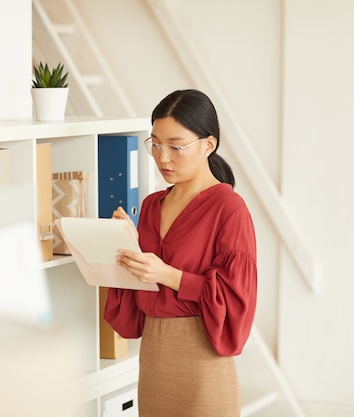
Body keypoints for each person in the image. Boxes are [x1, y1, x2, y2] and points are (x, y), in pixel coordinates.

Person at [104, 89, 257, 417]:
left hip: (203, 363)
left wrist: (167, 275)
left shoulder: (229, 209)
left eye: (176, 147)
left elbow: (234, 303)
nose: (163, 158)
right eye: (155, 144)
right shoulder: (150, 206)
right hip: (154, 361)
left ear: (208, 145)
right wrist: (121, 246)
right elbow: (134, 309)